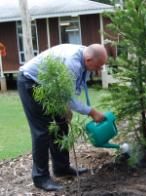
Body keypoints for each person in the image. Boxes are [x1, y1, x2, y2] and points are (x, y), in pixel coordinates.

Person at [17, 43, 108, 191]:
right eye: (97, 66)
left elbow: (72, 88)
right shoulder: (72, 62)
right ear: (89, 60)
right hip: (32, 83)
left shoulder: (85, 56)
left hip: (51, 87)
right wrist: (92, 112)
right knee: (42, 132)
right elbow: (71, 99)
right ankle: (41, 178)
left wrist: (66, 108)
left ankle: (61, 168)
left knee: (61, 124)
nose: (98, 70)